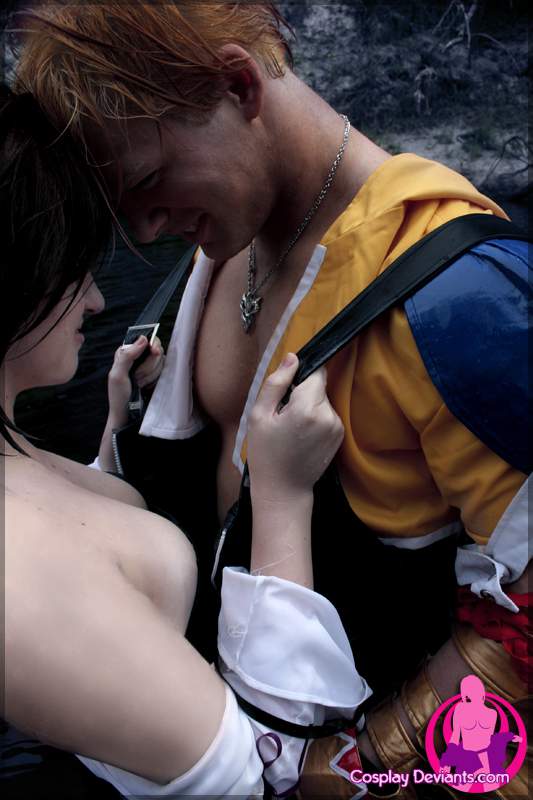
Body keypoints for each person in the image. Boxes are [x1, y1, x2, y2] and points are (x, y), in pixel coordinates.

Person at [11, 3, 530, 796]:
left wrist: (346, 770)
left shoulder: (465, 303)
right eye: (123, 204)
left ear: (237, 85)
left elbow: (522, 624)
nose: (145, 229)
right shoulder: (209, 261)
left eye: (148, 183)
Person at [1, 83, 373, 799]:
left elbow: (75, 542)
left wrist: (120, 429)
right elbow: (270, 777)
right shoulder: (15, 573)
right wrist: (282, 498)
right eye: (74, 264)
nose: (96, 299)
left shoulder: (15, 456)